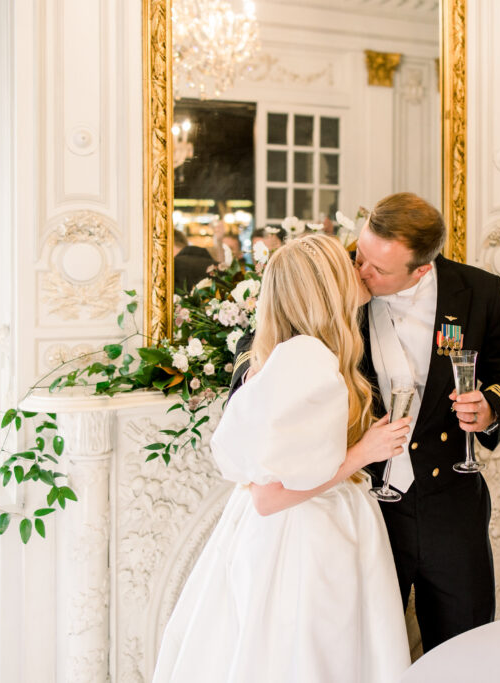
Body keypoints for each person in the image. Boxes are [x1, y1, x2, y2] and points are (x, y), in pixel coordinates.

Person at [231, 192, 500, 652]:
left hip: (450, 503)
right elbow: (270, 330)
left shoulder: (478, 290)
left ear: (421, 269)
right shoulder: (339, 277)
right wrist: (254, 392)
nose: (361, 272)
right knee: (369, 647)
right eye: (360, 256)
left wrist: (489, 408)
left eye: (378, 269)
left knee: (465, 642)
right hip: (366, 501)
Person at [152, 234, 412, 683]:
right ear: (326, 289)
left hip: (315, 523)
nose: (358, 272)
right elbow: (268, 497)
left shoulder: (297, 354)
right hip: (302, 538)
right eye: (347, 266)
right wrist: (364, 453)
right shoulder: (306, 360)